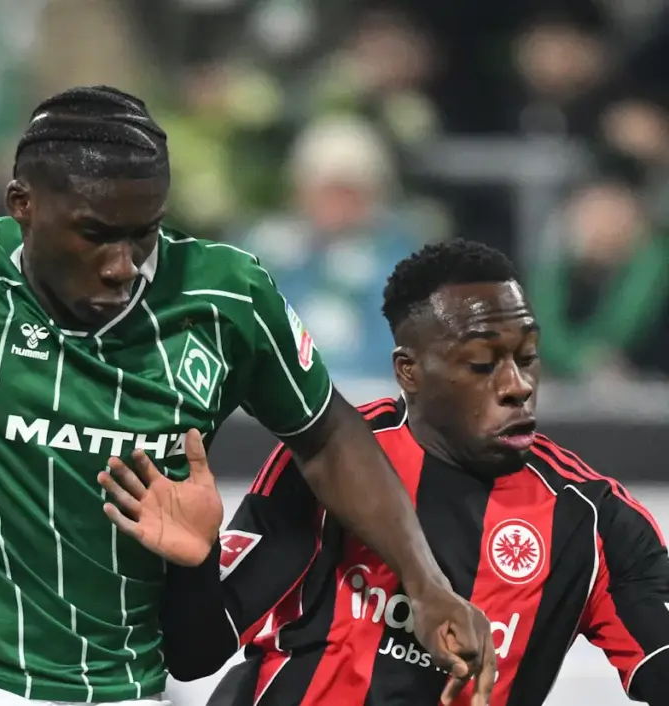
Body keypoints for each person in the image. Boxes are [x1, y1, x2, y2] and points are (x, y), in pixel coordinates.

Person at [0, 26, 495, 706]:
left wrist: (424, 581)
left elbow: (329, 435)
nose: (124, 264)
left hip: (126, 691)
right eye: (96, 234)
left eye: (145, 234)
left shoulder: (223, 296)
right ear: (22, 206)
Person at [99, 239, 669, 706]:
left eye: (528, 357)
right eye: (482, 364)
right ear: (409, 372)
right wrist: (195, 565)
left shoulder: (596, 521)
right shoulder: (339, 459)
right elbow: (196, 653)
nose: (517, 386)